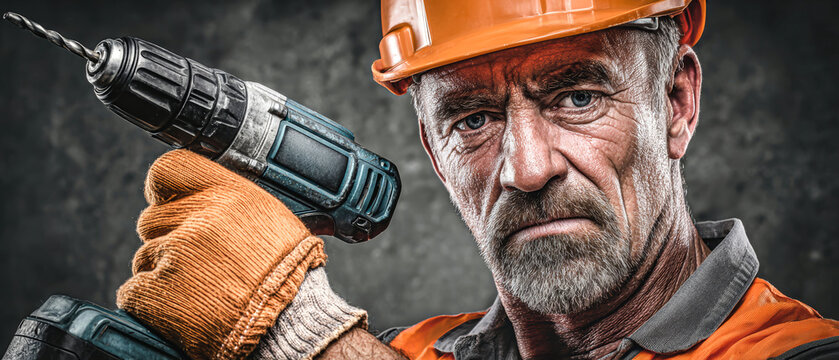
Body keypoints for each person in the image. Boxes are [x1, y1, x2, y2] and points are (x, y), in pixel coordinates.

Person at [114, 0, 839, 359]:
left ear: (675, 103)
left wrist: (303, 335)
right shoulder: (409, 352)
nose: (526, 168)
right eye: (472, 120)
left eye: (577, 98)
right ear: (431, 148)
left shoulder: (798, 352)